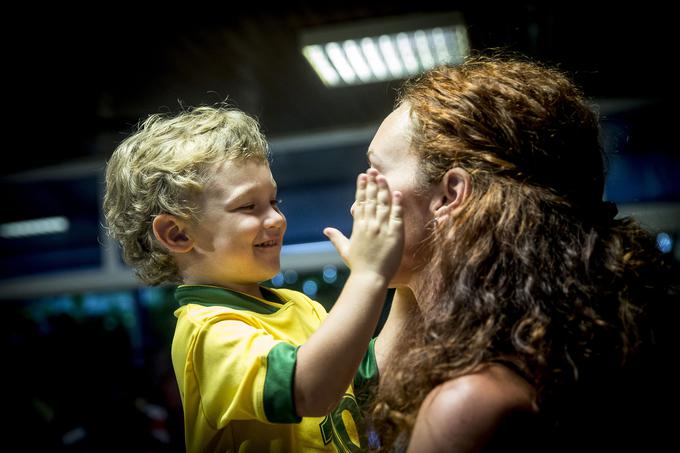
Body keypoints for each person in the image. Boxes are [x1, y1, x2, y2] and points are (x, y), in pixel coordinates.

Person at [326, 55, 676, 452]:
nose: (358, 203)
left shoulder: (469, 404)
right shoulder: (536, 343)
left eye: (376, 172)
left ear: (451, 195)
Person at [103, 104, 404, 452]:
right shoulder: (207, 332)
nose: (276, 219)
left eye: (273, 201)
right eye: (248, 206)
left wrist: (400, 276)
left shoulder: (299, 305)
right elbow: (309, 389)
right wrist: (368, 275)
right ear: (177, 234)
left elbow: (365, 381)